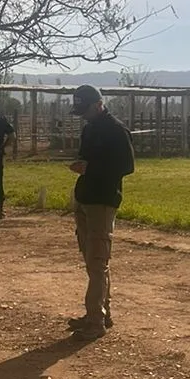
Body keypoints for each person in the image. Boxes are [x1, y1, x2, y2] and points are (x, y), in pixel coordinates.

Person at [68, 84, 135, 339]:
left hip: (103, 201)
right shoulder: (90, 128)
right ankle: (100, 314)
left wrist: (91, 168)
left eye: (86, 109)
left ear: (99, 104)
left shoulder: (116, 130)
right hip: (85, 197)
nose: (83, 115)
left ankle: (95, 321)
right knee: (92, 260)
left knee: (98, 262)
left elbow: (127, 166)